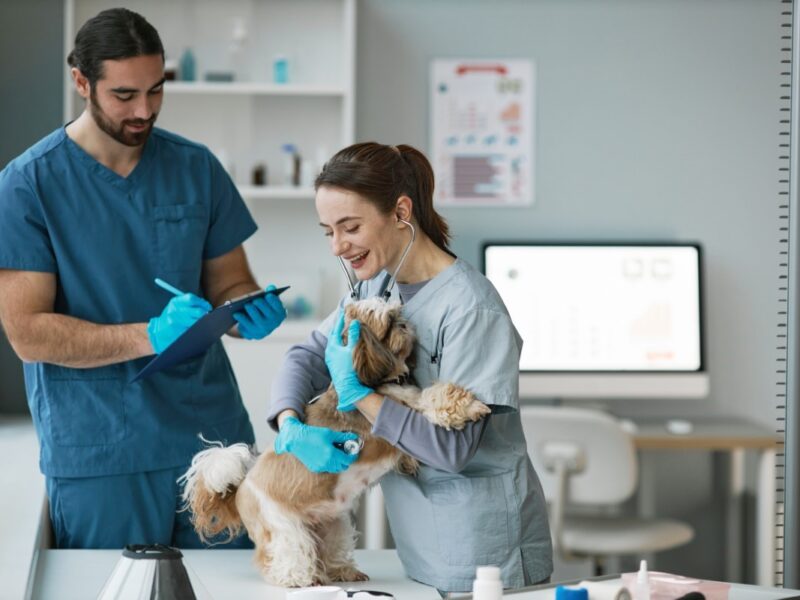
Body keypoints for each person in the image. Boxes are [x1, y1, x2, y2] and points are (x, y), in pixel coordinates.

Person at [0, 8, 286, 550]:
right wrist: (150, 336)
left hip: (210, 442)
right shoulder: (27, 186)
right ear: (82, 81)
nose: (145, 110)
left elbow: (230, 281)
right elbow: (27, 332)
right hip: (101, 450)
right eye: (125, 95)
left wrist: (247, 308)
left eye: (156, 90)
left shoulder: (195, 167)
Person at [268, 142, 553, 594]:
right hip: (421, 542)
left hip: (483, 549)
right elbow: (306, 356)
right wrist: (288, 423)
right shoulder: (376, 284)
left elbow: (452, 450)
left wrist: (359, 394)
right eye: (328, 232)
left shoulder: (472, 309)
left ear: (401, 212)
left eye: (351, 227)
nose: (338, 247)